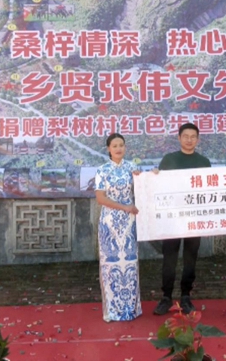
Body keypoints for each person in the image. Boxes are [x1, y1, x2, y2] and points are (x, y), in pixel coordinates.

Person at [153, 123, 211, 316]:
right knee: (169, 259)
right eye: (185, 136)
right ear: (179, 138)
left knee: (190, 259)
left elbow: (209, 191)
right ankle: (166, 297)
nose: (189, 140)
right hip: (172, 218)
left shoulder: (204, 161)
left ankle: (186, 296)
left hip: (194, 218)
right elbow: (159, 185)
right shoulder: (169, 159)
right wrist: (153, 177)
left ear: (198, 139)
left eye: (193, 136)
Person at [94, 133, 142, 322]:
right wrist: (124, 207)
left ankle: (132, 308)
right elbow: (101, 198)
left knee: (130, 263)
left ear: (125, 147)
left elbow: (144, 186)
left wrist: (152, 176)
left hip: (129, 223)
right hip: (110, 223)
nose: (118, 148)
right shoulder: (102, 170)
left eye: (121, 145)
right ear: (108, 149)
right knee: (111, 265)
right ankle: (113, 310)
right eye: (114, 146)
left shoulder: (132, 168)